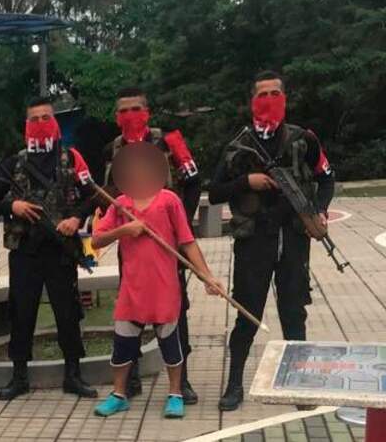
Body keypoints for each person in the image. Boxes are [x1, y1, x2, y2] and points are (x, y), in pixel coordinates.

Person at [210, 71, 335, 411]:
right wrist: (246, 182)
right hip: (254, 242)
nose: (269, 99)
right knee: (247, 314)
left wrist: (320, 210)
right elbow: (215, 190)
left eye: (275, 93)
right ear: (252, 100)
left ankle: (299, 385)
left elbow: (326, 179)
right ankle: (234, 384)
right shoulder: (239, 144)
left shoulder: (303, 139)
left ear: (285, 98)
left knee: (294, 312)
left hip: (294, 238)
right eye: (262, 93)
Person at [90, 145, 223, 419]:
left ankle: (175, 394)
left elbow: (187, 242)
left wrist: (207, 276)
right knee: (122, 346)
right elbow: (96, 240)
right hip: (132, 288)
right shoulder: (120, 204)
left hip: (164, 287)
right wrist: (125, 229)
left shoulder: (169, 200)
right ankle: (119, 394)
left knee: (171, 345)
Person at [0, 97, 97, 400]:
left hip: (61, 251)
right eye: (33, 119)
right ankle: (19, 377)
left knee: (67, 314)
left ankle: (73, 375)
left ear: (55, 122)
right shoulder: (13, 163)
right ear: (26, 125)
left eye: (45, 117)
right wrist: (13, 205)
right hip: (25, 253)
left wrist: (76, 218)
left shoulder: (72, 158)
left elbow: (94, 196)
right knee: (21, 314)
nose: (39, 124)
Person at [101, 87, 202, 404]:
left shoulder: (168, 141)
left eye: (135, 109)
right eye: (123, 111)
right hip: (131, 244)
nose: (129, 116)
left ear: (147, 111)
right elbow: (107, 191)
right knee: (132, 311)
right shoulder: (114, 148)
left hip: (167, 244)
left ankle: (181, 383)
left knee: (175, 312)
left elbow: (193, 180)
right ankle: (128, 382)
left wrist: (177, 221)